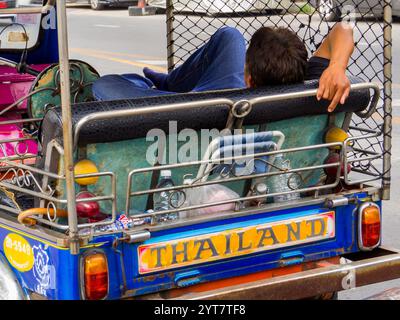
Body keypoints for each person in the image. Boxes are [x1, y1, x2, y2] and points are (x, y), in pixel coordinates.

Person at [92, 22, 354, 113]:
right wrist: (337, 67)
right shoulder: (309, 87)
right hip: (217, 100)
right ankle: (169, 82)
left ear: (248, 80)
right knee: (229, 36)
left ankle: (163, 86)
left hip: (200, 106)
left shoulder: (235, 101)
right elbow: (343, 29)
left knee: (105, 84)